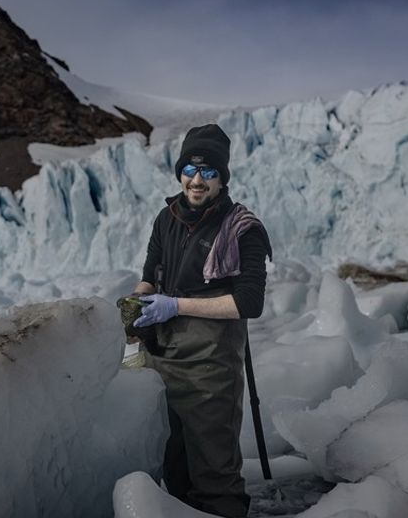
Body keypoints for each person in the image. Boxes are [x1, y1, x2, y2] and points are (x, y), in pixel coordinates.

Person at [130, 123, 271, 518]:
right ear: (179, 173)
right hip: (162, 355)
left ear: (222, 178)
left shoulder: (243, 230)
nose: (197, 180)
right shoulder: (166, 217)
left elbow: (249, 302)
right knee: (174, 466)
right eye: (190, 170)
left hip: (211, 365)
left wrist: (175, 306)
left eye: (209, 172)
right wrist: (135, 305)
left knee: (214, 473)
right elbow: (149, 271)